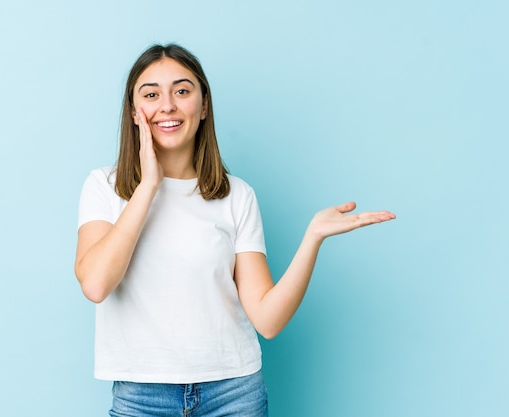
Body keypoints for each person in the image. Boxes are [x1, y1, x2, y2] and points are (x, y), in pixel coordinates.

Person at [75, 43, 395, 417]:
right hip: (142, 398)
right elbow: (96, 284)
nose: (167, 105)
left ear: (204, 105)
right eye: (151, 94)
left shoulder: (236, 195)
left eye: (182, 90)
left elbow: (268, 320)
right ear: (134, 111)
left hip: (233, 395)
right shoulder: (104, 186)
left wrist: (312, 238)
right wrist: (148, 186)